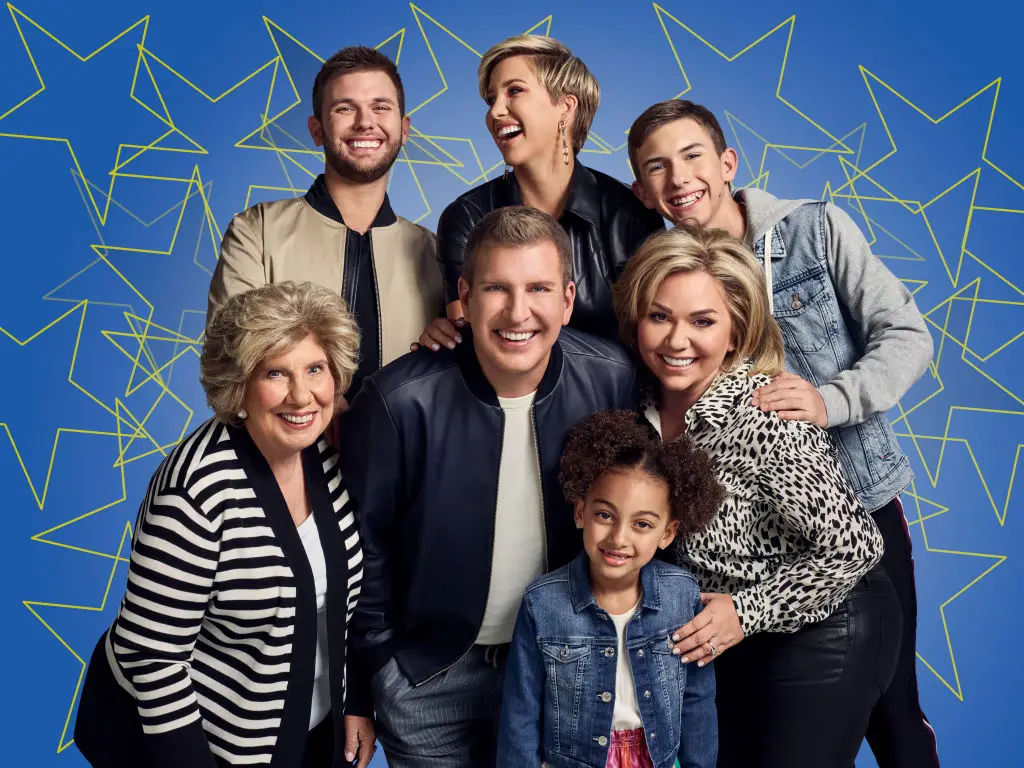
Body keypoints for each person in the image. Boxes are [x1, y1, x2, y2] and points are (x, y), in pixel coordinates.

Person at [627, 99, 938, 767]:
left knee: (892, 711)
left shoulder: (811, 231)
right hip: (742, 545)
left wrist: (828, 402)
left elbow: (908, 335)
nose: (678, 178)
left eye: (692, 157)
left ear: (727, 163)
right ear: (640, 189)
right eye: (657, 167)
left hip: (852, 503)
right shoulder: (663, 272)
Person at [338, 206, 638, 767]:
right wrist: (366, 681)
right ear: (465, 296)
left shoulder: (609, 377)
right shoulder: (398, 400)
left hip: (560, 660)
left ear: (567, 299)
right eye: (497, 288)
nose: (517, 312)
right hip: (429, 674)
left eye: (539, 288)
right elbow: (365, 551)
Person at [612, 227, 902, 768]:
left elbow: (855, 546)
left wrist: (747, 611)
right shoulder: (642, 413)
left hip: (826, 627)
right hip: (736, 637)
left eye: (702, 321)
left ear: (735, 332)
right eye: (660, 316)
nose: (677, 341)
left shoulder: (762, 414)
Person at [74, 283, 374, 768]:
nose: (302, 395)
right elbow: (152, 659)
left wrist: (355, 701)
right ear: (239, 385)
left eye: (315, 369)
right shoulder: (195, 493)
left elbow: (338, 604)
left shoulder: (325, 452)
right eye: (276, 372)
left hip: (308, 727)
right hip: (200, 743)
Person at [208, 46, 443, 403]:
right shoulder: (256, 232)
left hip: (406, 456)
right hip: (283, 452)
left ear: (404, 128)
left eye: (381, 107)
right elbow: (228, 356)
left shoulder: (435, 253)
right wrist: (322, 402)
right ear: (317, 130)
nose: (365, 122)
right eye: (345, 108)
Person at [497, 410, 722, 768]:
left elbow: (697, 699)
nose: (619, 538)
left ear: (668, 533)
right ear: (580, 512)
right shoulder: (542, 604)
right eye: (605, 515)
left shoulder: (682, 597)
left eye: (642, 524)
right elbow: (520, 714)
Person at [416, 34, 663, 352]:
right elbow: (478, 344)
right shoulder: (465, 217)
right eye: (491, 100)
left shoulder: (630, 215)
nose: (495, 112)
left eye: (514, 91)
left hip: (619, 399)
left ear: (566, 106)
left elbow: (656, 336)